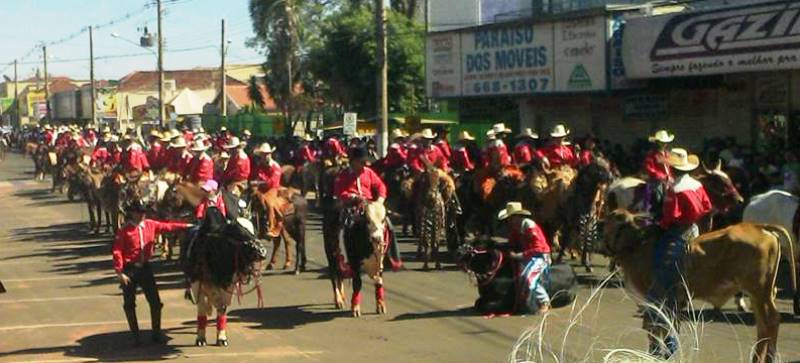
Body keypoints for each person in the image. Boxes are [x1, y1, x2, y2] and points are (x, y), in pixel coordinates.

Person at [645, 148, 712, 359]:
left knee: (662, 272)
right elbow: (708, 206)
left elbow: (669, 217)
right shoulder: (698, 185)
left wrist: (657, 223)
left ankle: (667, 338)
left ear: (673, 168)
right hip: (695, 229)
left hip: (678, 234)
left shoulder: (675, 188)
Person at [112, 201, 190, 346]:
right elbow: (117, 251)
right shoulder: (124, 230)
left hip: (145, 268)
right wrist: (119, 272)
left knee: (155, 302)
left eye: (143, 212)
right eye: (139, 212)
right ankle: (135, 336)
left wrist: (186, 226)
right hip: (129, 269)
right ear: (132, 214)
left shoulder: (150, 224)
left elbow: (168, 226)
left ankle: (156, 333)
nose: (142, 215)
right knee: (129, 304)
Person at [497, 202, 551, 314]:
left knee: (528, 278)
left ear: (517, 216)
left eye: (511, 218)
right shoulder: (514, 228)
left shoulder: (529, 225)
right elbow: (512, 243)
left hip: (540, 257)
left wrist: (519, 255)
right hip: (527, 256)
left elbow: (539, 248)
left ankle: (544, 301)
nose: (509, 221)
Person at [643, 130, 674, 217]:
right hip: (656, 181)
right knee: (657, 194)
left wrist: (670, 176)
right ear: (657, 143)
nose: (664, 144)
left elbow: (671, 167)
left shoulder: (668, 154)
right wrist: (662, 176)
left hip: (669, 179)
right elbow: (649, 169)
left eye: (665, 142)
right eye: (661, 142)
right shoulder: (651, 155)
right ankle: (656, 213)